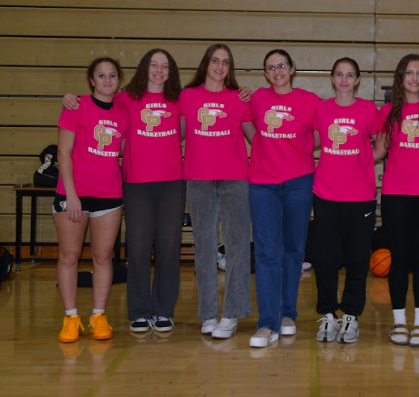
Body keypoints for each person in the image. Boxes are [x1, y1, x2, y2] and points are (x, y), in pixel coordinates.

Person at [62, 49, 186, 334]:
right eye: (153, 65)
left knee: (168, 248)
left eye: (164, 66)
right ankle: (140, 311)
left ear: (171, 72)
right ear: (144, 68)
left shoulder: (179, 100)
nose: (158, 70)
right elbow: (94, 102)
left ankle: (164, 310)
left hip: (172, 184)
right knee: (139, 248)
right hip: (136, 183)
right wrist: (70, 98)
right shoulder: (125, 98)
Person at [180, 44, 256, 340]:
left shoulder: (238, 98)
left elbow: (257, 138)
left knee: (237, 247)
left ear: (230, 68)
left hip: (235, 179)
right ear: (206, 64)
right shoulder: (188, 96)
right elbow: (175, 132)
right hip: (198, 179)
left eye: (226, 62)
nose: (220, 66)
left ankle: (233, 314)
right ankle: (209, 313)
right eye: (215, 60)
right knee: (205, 248)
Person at [374, 54, 419, 348]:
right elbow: (378, 152)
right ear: (400, 78)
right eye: (409, 73)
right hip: (395, 194)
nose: (414, 78)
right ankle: (399, 323)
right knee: (399, 259)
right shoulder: (389, 110)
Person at [248, 49, 320, 348]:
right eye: (270, 67)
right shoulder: (256, 99)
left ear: (292, 69)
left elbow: (320, 135)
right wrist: (263, 144)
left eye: (282, 66)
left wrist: (302, 148)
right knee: (267, 252)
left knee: (293, 250)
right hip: (263, 183)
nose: (277, 71)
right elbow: (247, 126)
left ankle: (287, 314)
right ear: (265, 73)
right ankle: (267, 322)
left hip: (299, 182)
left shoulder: (310, 101)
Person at [54, 57, 127, 343]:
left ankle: (98, 316)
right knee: (69, 256)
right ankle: (71, 317)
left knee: (103, 257)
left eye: (112, 75)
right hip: (73, 194)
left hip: (109, 195)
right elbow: (63, 153)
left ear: (118, 80)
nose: (107, 80)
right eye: (101, 75)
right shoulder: (77, 106)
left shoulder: (123, 110)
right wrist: (72, 195)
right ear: (92, 81)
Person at [313, 58, 380, 344]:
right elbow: (312, 141)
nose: (344, 80)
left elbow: (382, 143)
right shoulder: (322, 108)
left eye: (349, 75)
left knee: (356, 259)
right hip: (326, 194)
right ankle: (327, 314)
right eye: (339, 74)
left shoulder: (368, 109)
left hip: (360, 196)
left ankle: (351, 315)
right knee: (325, 259)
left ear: (357, 80)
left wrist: (364, 162)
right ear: (332, 78)